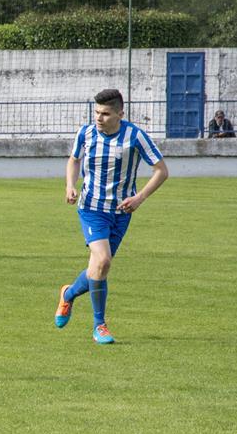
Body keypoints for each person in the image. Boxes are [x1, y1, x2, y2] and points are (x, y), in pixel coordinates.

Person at [54, 88, 168, 345]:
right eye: (96, 112)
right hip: (92, 208)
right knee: (103, 260)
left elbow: (161, 170)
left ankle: (68, 294)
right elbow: (74, 160)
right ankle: (100, 326)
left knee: (98, 267)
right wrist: (70, 185)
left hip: (121, 212)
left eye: (105, 113)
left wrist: (140, 198)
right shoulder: (85, 133)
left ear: (120, 114)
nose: (99, 118)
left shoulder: (135, 136)